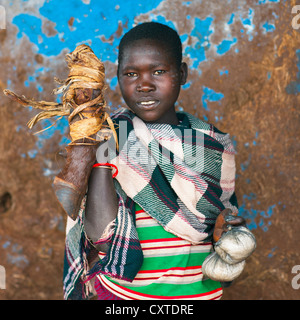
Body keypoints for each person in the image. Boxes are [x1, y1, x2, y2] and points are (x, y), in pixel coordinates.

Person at [63, 21, 244, 300]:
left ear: (182, 73)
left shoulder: (210, 144)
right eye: (131, 74)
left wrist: (225, 231)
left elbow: (222, 223)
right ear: (118, 77)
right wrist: (100, 147)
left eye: (159, 71)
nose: (145, 85)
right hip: (123, 294)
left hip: (198, 293)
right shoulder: (112, 137)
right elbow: (102, 237)